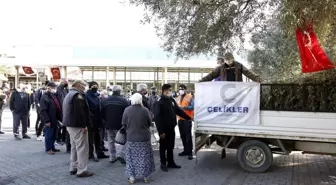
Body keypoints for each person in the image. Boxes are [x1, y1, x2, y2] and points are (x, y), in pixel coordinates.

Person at [153, 84, 192, 172]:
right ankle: (163, 163)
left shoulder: (171, 100)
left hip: (171, 127)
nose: (171, 91)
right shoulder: (159, 101)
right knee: (163, 147)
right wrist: (161, 131)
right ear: (165, 90)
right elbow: (157, 118)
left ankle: (171, 162)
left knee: (171, 146)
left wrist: (189, 118)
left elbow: (178, 110)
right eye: (170, 90)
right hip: (163, 129)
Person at [63, 80, 93, 178]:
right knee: (82, 148)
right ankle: (82, 170)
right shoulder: (77, 96)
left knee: (74, 147)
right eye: (83, 85)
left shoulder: (69, 94)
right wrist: (84, 125)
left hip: (70, 125)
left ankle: (74, 167)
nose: (84, 88)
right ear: (78, 85)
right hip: (77, 125)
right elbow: (80, 112)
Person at [122, 93, 155, 183]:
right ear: (140, 100)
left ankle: (132, 178)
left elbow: (123, 123)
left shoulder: (127, 110)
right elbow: (149, 123)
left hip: (131, 138)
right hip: (144, 138)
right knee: (145, 157)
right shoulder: (145, 110)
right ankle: (146, 177)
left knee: (131, 158)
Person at [101, 85, 129, 164]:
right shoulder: (124, 101)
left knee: (111, 141)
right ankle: (121, 154)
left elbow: (102, 113)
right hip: (120, 125)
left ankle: (112, 157)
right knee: (124, 140)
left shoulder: (105, 100)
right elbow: (127, 113)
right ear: (119, 91)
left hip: (109, 124)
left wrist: (106, 120)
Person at [85, 81, 108, 162]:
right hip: (91, 120)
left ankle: (99, 152)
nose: (95, 88)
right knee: (90, 138)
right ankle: (90, 154)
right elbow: (87, 109)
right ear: (90, 87)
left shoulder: (96, 95)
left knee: (98, 137)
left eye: (96, 86)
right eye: (94, 86)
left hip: (98, 119)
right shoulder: (87, 96)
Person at [39, 82, 62, 155]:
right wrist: (47, 120)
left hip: (55, 118)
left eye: (55, 87)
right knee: (49, 134)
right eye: (54, 87)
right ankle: (48, 149)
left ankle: (52, 147)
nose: (55, 89)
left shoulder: (53, 96)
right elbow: (43, 110)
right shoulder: (45, 97)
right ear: (49, 88)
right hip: (49, 119)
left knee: (54, 134)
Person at [176, 84, 194, 160]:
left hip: (187, 119)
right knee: (182, 136)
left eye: (182, 89)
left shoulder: (190, 97)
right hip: (180, 119)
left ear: (185, 89)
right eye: (180, 89)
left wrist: (184, 107)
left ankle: (190, 152)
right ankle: (185, 150)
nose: (181, 90)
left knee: (188, 136)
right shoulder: (178, 97)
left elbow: (192, 107)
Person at [56, 78, 69, 147]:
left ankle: (64, 139)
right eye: (65, 82)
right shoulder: (58, 89)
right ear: (62, 82)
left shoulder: (66, 89)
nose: (67, 83)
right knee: (60, 126)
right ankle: (58, 139)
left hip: (66, 110)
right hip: (60, 110)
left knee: (65, 126)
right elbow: (59, 99)